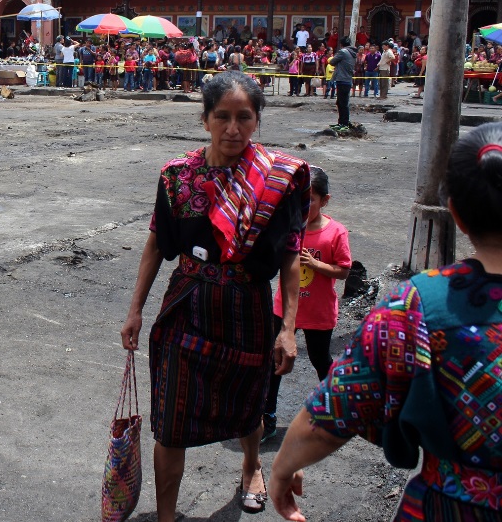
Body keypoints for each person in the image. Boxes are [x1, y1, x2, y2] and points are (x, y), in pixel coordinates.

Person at [270, 122, 502, 522]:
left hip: (453, 507)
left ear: (456, 214)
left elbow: (332, 414)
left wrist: (281, 470)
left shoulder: (416, 306)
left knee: (323, 361)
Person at [120, 70, 309, 519]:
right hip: (187, 303)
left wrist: (288, 329)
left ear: (257, 120)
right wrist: (135, 310)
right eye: (221, 116)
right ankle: (166, 515)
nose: (233, 129)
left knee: (247, 404)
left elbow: (290, 257)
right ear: (204, 119)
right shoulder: (177, 177)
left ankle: (251, 466)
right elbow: (155, 244)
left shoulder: (279, 181)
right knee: (169, 418)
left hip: (248, 309)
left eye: (244, 117)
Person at [261, 167, 351, 441]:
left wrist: (316, 264)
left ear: (324, 200)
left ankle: (335, 410)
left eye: (310, 199)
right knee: (274, 360)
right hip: (284, 306)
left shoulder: (335, 232)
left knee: (319, 359)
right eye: (300, 198)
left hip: (318, 311)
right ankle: (268, 416)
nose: (304, 204)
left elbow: (344, 270)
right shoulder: (289, 228)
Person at [329, 37, 357, 131]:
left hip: (342, 79)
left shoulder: (343, 52)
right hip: (347, 79)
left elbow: (332, 62)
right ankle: (341, 122)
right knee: (341, 102)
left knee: (343, 103)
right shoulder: (353, 53)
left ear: (341, 44)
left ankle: (344, 123)